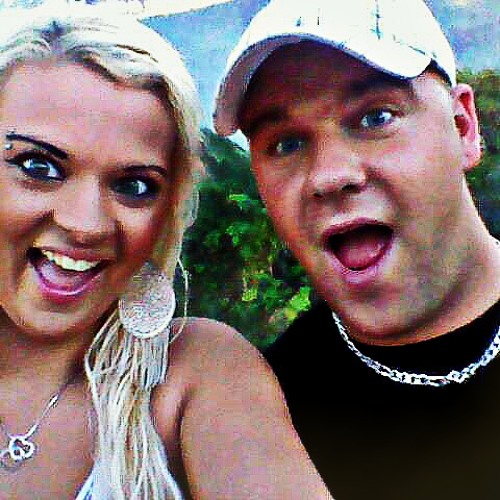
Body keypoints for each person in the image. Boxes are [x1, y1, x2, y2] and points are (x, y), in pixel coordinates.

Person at [0, 6, 331, 499]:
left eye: (134, 185)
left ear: (166, 212)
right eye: (38, 167)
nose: (85, 225)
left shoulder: (195, 376)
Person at [214, 0, 500, 498]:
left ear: (463, 127)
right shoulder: (266, 428)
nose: (329, 175)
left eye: (376, 117)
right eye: (285, 144)